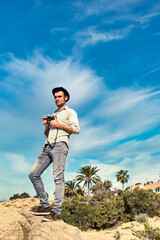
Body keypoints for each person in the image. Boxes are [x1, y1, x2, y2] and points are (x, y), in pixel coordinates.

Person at [29, 87, 80, 222]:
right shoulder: (53, 114)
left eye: (59, 96)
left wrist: (58, 124)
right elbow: (48, 134)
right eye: (55, 97)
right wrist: (47, 126)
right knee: (33, 174)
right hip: (48, 145)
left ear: (65, 98)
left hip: (60, 145)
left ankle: (56, 213)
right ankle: (45, 206)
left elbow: (76, 129)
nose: (56, 99)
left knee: (58, 178)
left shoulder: (70, 112)